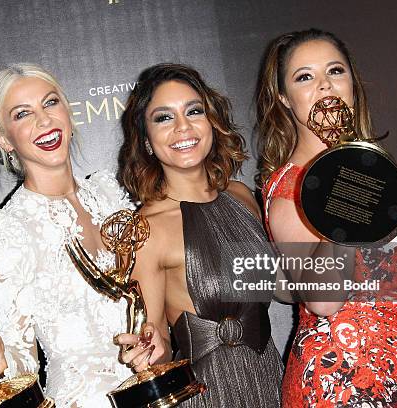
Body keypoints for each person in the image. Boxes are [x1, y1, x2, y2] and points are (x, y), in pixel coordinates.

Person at [256, 29, 397, 407]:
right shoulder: (291, 188)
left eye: (335, 71)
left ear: (353, 84)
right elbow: (323, 299)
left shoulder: (377, 169)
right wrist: (346, 189)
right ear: (284, 99)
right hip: (341, 382)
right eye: (304, 76)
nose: (324, 85)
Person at [0, 63, 134, 407]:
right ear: (2, 137)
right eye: (23, 114)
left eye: (50, 102)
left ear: (67, 111)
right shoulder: (7, 232)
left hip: (147, 391)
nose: (43, 120)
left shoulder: (109, 194)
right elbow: (20, 357)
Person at [115, 63, 283, 407]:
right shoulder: (146, 228)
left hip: (273, 378)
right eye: (163, 118)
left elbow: (281, 284)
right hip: (209, 391)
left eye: (194, 111)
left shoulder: (241, 196)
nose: (183, 127)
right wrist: (151, 349)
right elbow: (156, 336)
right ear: (146, 141)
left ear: (211, 122)